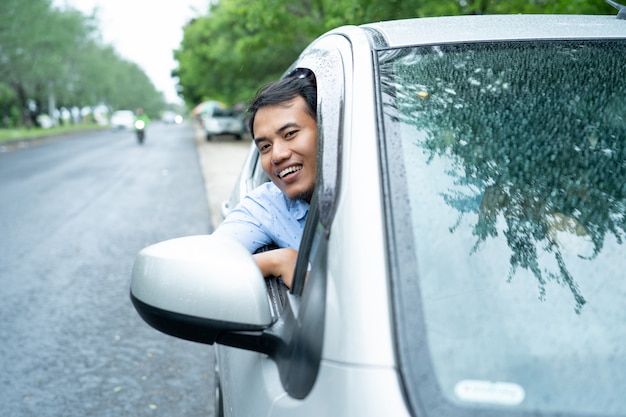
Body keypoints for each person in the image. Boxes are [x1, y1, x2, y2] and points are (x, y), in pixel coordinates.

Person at [213, 69, 317, 288]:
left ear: (326, 129)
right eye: (265, 147)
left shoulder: (385, 188)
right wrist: (277, 261)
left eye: (290, 134)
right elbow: (204, 267)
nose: (277, 155)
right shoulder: (267, 206)